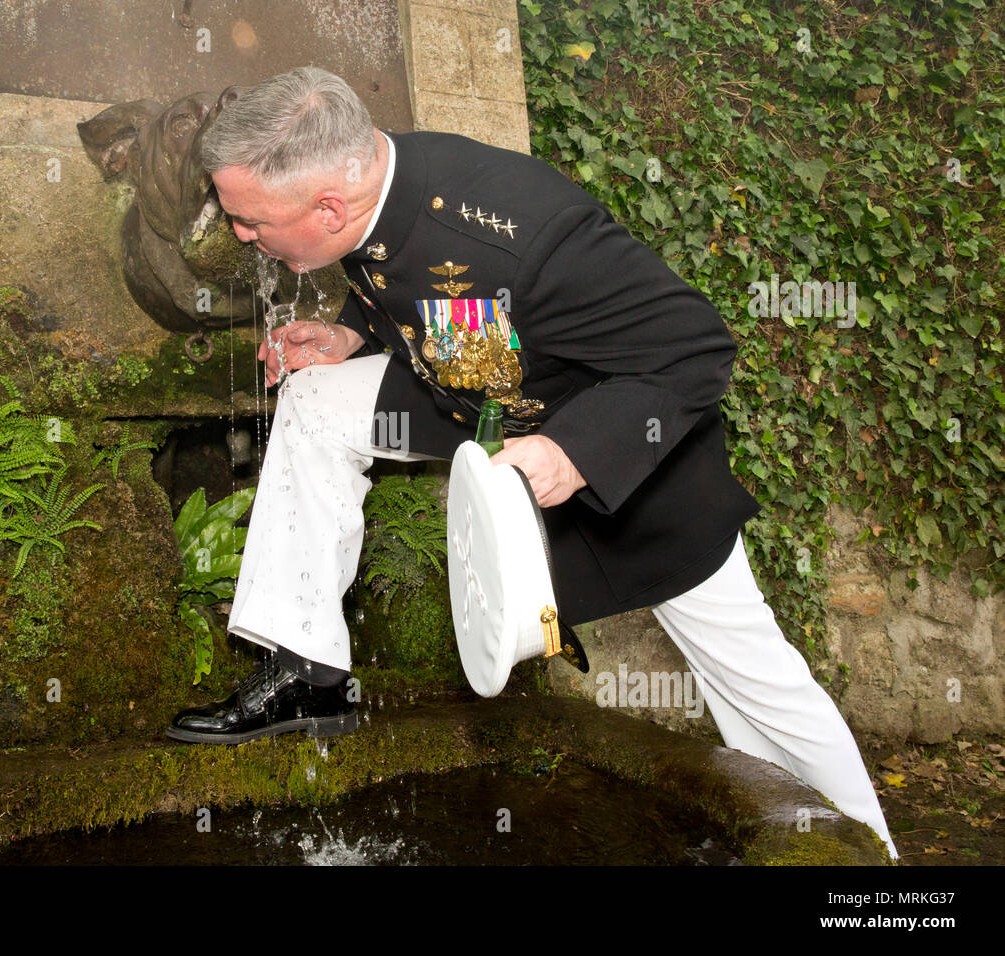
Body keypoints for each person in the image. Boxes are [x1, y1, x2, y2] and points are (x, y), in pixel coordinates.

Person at [165, 67, 899, 860]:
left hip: (637, 468)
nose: (239, 234)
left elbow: (695, 348)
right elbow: (420, 292)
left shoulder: (527, 231)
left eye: (248, 220)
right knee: (314, 405)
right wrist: (355, 337)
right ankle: (308, 670)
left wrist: (571, 451)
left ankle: (870, 871)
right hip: (480, 397)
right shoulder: (369, 182)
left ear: (327, 207)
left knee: (755, 685)